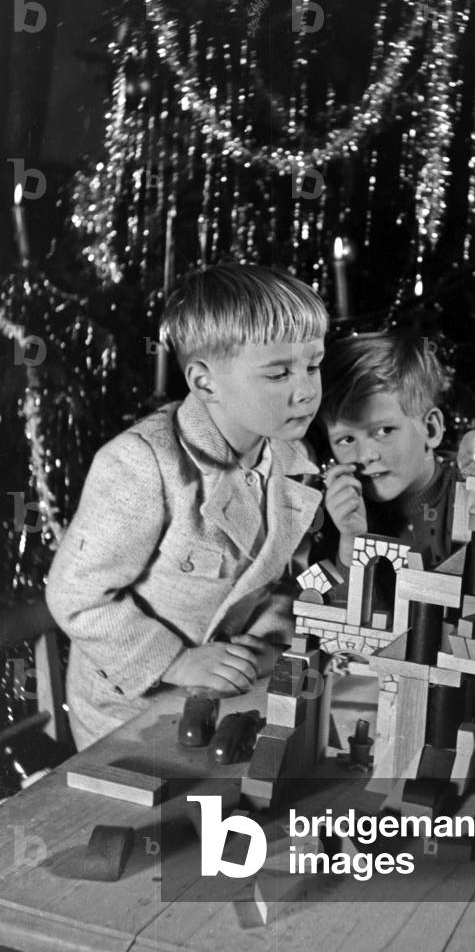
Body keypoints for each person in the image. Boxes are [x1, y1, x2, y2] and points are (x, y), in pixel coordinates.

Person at [46, 263, 327, 748]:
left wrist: (263, 647)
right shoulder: (142, 463)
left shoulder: (294, 458)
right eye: (279, 372)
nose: (305, 390)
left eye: (313, 365)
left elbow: (289, 578)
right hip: (128, 715)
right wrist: (176, 662)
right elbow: (76, 597)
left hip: (232, 694)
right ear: (204, 381)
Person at [318, 332, 464, 586]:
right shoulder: (340, 509)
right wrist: (352, 539)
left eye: (384, 431)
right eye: (347, 439)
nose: (366, 456)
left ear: (430, 429)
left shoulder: (469, 496)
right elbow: (322, 604)